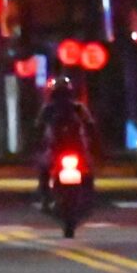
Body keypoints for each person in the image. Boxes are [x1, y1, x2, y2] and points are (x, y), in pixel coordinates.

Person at [35, 77, 95, 206]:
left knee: (87, 170)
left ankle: (45, 197)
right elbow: (90, 126)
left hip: (70, 148)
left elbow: (90, 126)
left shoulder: (76, 108)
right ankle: (46, 196)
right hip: (61, 148)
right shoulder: (76, 108)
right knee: (45, 168)